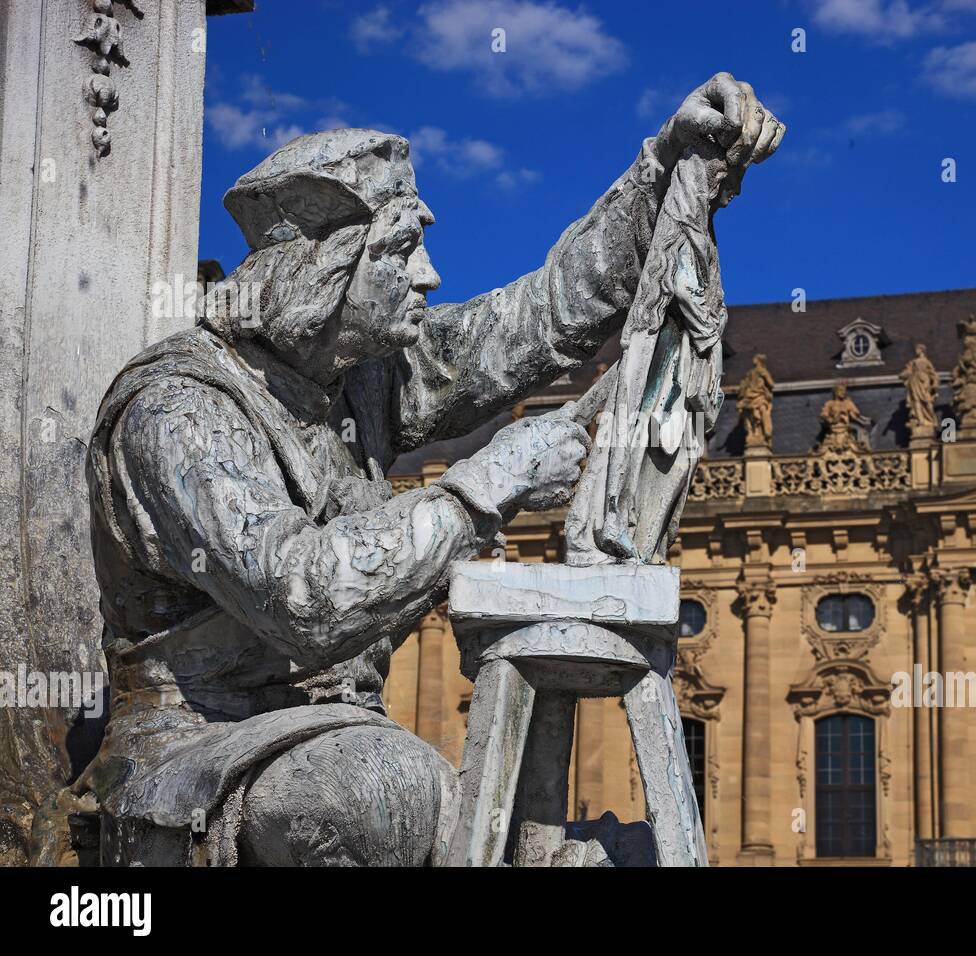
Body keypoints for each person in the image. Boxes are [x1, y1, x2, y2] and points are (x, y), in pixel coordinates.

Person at [78, 74, 782, 866]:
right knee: (380, 789)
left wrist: (667, 162)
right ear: (328, 268)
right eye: (402, 250)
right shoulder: (177, 409)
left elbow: (544, 314)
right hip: (198, 755)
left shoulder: (367, 379)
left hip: (336, 743)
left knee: (577, 843)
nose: (431, 276)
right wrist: (487, 485)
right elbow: (302, 596)